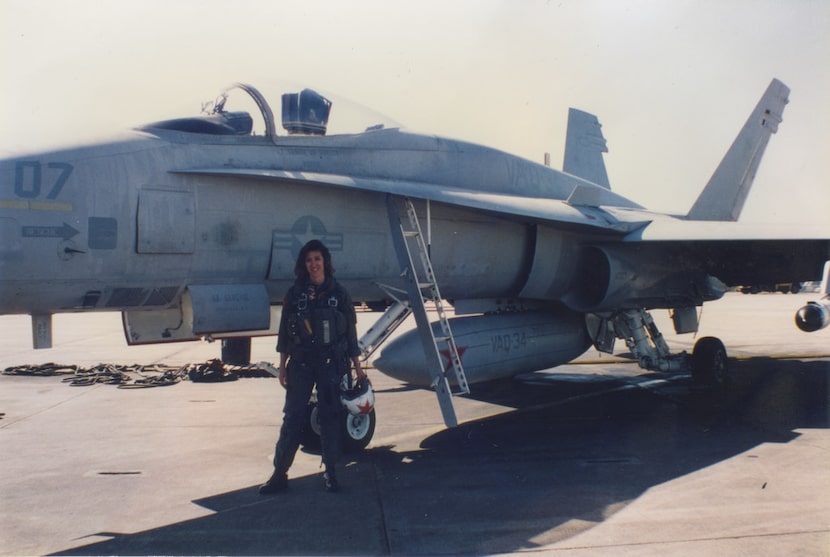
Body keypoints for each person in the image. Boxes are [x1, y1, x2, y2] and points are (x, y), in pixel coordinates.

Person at [260, 239, 365, 494]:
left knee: (330, 420)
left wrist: (358, 368)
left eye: (317, 259)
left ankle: (331, 473)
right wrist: (282, 366)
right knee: (293, 419)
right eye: (309, 260)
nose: (313, 264)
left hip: (331, 366)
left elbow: (350, 335)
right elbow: (284, 333)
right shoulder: (295, 295)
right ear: (303, 265)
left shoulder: (339, 294)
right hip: (301, 366)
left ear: (325, 262)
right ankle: (279, 474)